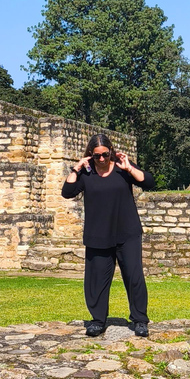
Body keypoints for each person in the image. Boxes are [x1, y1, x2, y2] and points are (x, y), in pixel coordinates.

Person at [61, 134, 155, 337]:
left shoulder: (123, 168)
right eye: (97, 156)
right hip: (98, 235)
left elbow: (149, 182)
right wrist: (77, 168)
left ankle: (140, 320)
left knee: (134, 277)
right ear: (90, 155)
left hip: (127, 232)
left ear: (111, 151)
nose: (102, 159)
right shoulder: (86, 174)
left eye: (105, 154)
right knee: (96, 281)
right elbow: (67, 192)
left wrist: (130, 168)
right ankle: (97, 320)